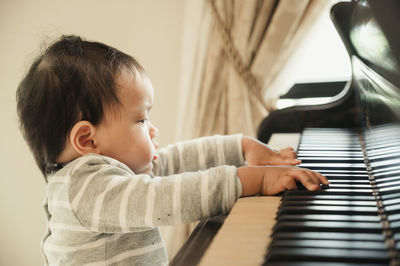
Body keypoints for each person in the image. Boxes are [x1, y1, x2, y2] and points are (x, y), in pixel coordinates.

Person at [16, 35, 329, 265]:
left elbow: (171, 162)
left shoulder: (111, 175)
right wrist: (252, 180)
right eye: (140, 119)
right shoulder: (86, 188)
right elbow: (161, 197)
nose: (152, 129)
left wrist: (240, 147)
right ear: (87, 140)